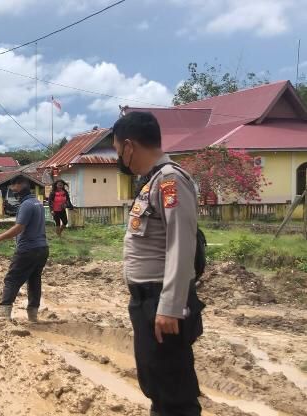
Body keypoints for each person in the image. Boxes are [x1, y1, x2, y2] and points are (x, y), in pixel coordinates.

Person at [113, 112, 205, 416]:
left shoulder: (169, 180)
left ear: (129, 146)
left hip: (161, 303)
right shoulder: (151, 181)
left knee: (174, 393)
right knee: (157, 384)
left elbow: (182, 244)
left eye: (117, 151)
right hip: (147, 301)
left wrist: (170, 306)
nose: (119, 158)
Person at [0, 176, 49, 322]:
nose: (12, 190)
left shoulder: (27, 205)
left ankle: (4, 315)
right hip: (42, 248)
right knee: (34, 280)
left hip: (28, 249)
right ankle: (33, 315)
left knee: (12, 279)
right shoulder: (37, 203)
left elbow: (19, 228)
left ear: (21, 185)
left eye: (13, 187)